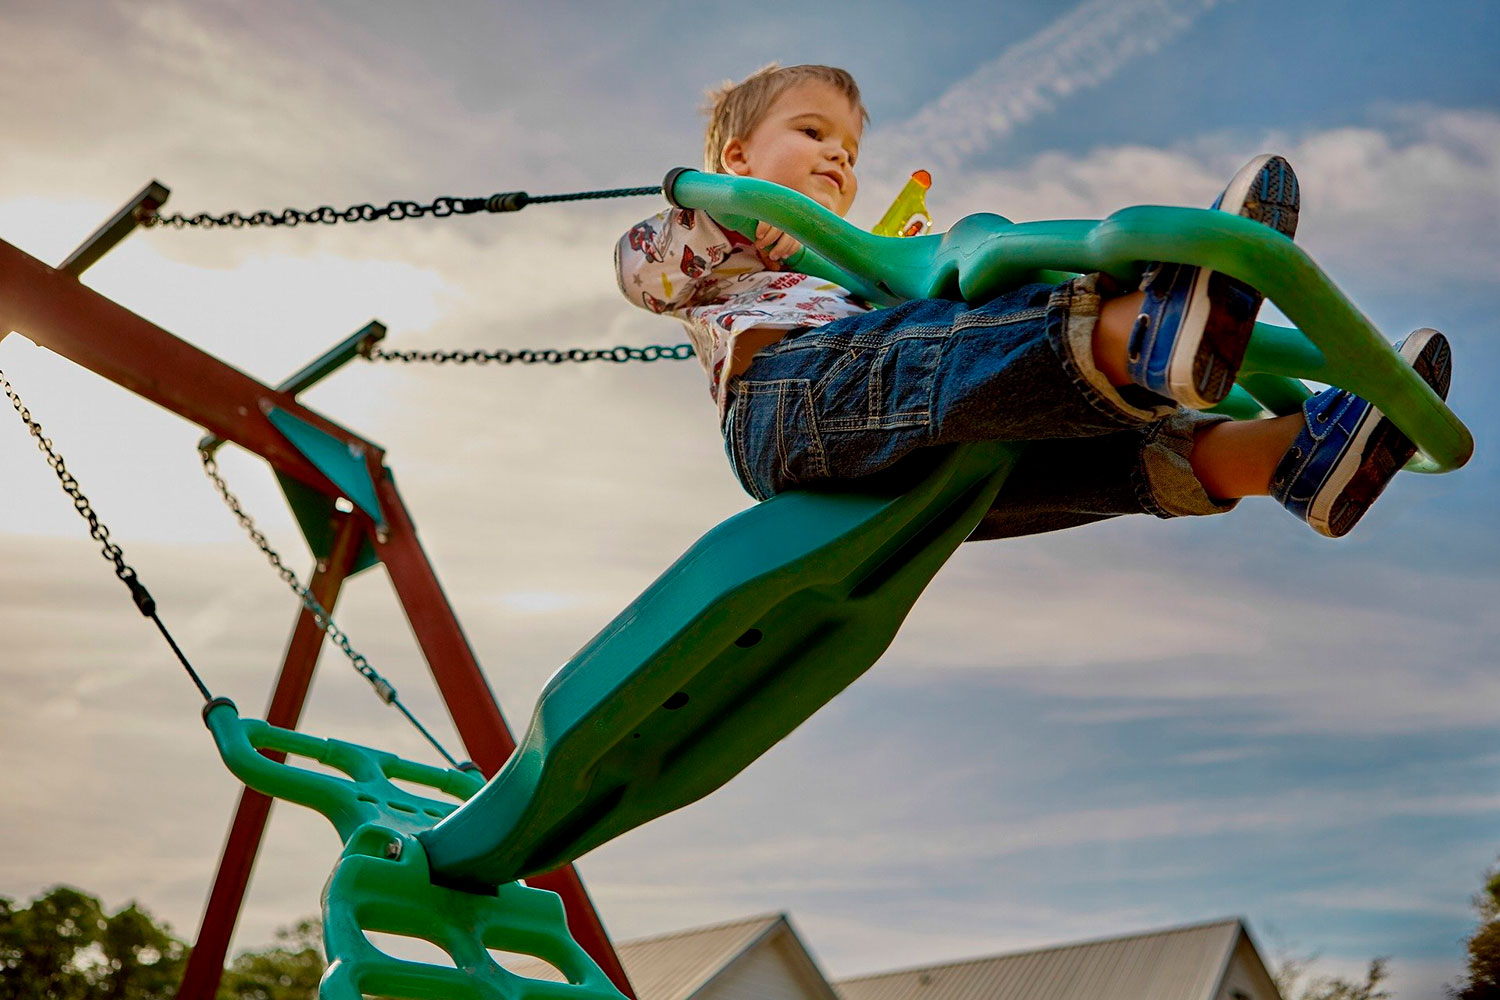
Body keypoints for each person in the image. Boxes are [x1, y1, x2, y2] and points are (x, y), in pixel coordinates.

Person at [614, 63, 1451, 539]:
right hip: (787, 414)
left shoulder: (851, 265)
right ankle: (1138, 332)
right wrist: (723, 207)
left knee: (1043, 457)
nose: (836, 158)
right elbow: (641, 269)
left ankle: (1284, 456)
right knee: (945, 344)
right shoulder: (710, 243)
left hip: (892, 466)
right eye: (811, 134)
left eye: (848, 148)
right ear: (735, 157)